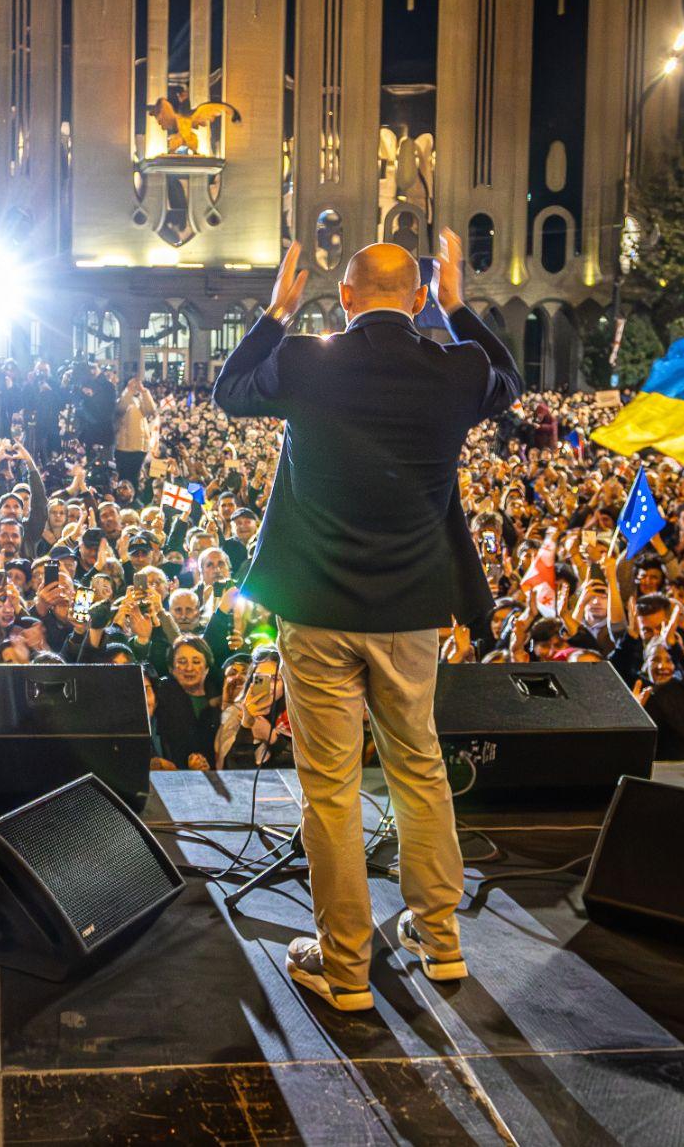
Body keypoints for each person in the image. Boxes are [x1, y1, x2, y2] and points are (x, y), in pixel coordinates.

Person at [213, 228, 520, 1013]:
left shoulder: (311, 361)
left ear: (343, 299)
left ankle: (345, 967)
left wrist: (279, 310)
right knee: (419, 768)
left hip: (317, 609)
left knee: (331, 789)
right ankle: (439, 937)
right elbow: (508, 379)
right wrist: (459, 310)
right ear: (417, 297)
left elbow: (231, 389)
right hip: (414, 609)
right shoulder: (456, 368)